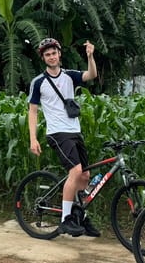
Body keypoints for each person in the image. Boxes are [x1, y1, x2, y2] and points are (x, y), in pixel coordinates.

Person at [28, 38, 98, 237]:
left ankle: (80, 217)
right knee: (75, 171)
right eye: (47, 54)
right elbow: (32, 111)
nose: (51, 57)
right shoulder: (38, 82)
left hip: (75, 131)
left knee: (85, 176)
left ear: (59, 54)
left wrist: (90, 56)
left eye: (54, 53)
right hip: (57, 133)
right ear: (44, 59)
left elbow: (91, 74)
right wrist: (33, 139)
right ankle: (66, 219)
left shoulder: (69, 76)